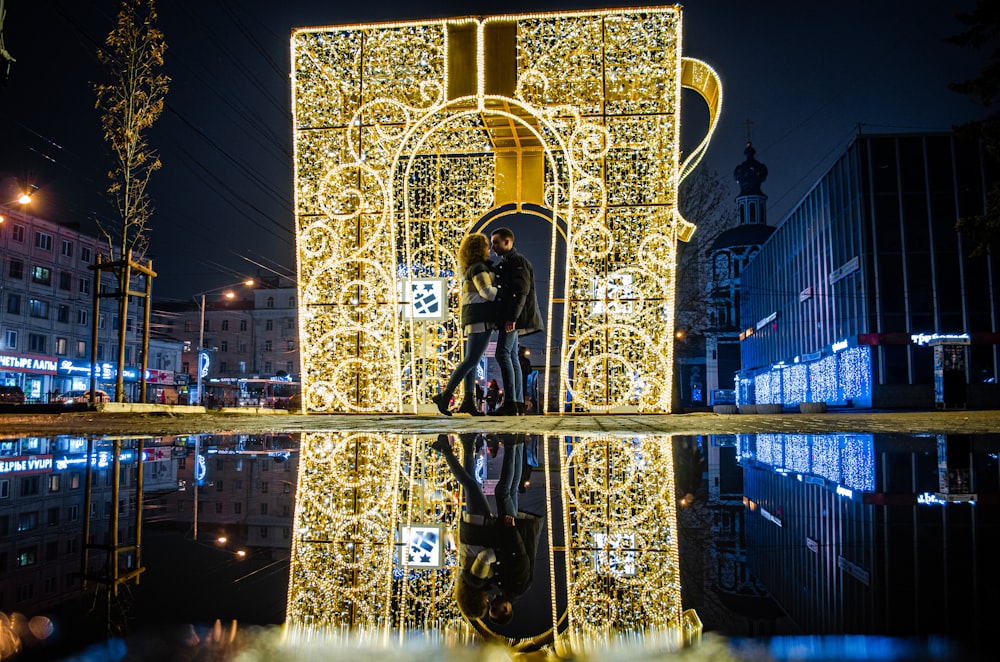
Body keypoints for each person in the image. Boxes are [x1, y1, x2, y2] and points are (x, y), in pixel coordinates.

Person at [432, 434, 538, 623]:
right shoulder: (480, 582)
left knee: (475, 487)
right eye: (494, 608)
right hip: (475, 529)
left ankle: (448, 450)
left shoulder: (478, 580)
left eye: (489, 607)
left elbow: (486, 556)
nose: (491, 603)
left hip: (478, 528)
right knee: (480, 487)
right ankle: (468, 443)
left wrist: (500, 554)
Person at [432, 233, 498, 416]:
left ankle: (468, 401)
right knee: (471, 360)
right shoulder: (479, 268)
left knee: (471, 360)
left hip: (473, 317)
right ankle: (445, 395)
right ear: (479, 249)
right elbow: (487, 292)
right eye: (486, 246)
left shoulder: (471, 268)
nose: (489, 249)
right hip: (480, 317)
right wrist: (501, 290)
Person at [490, 227, 543, 416]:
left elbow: (521, 291)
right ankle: (517, 402)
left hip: (512, 317)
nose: (492, 246)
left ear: (507, 242)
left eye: (496, 242)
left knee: (502, 354)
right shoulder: (507, 262)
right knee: (511, 356)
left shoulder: (517, 262)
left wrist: (512, 317)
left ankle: (511, 402)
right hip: (511, 317)